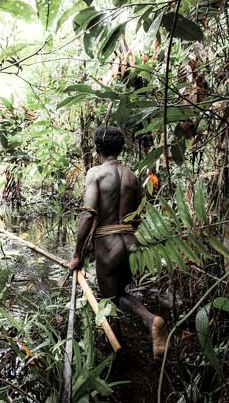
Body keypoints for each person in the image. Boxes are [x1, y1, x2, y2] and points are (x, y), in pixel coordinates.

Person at [68, 125, 168, 360]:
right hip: (131, 243)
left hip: (108, 242)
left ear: (97, 148)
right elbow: (139, 214)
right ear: (121, 147)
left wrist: (77, 255)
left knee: (109, 300)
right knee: (119, 293)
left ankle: (137, 332)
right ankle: (132, 336)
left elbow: (88, 213)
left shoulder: (96, 173)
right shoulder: (131, 175)